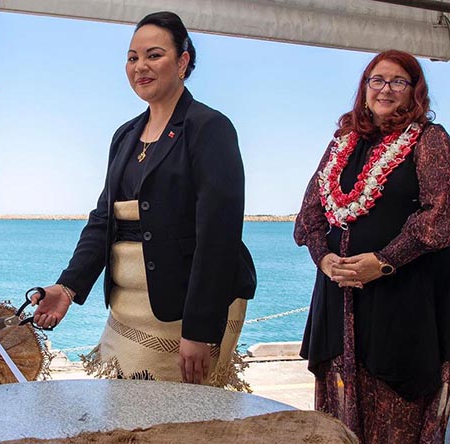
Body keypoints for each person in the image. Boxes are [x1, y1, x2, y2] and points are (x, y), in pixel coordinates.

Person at [30, 11, 256, 386]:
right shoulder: (125, 135)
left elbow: (219, 234)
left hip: (187, 313)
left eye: (154, 55)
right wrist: (68, 286)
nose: (140, 67)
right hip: (128, 309)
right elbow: (105, 218)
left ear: (183, 61)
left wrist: (199, 330)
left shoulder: (209, 128)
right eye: (132, 57)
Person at [294, 49, 450, 443]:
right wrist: (325, 259)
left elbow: (440, 217)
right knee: (336, 426)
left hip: (401, 303)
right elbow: (310, 215)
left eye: (399, 81)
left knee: (396, 419)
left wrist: (383, 262)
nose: (386, 89)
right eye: (377, 80)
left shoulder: (429, 140)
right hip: (338, 300)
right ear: (364, 89)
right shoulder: (341, 144)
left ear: (415, 91)